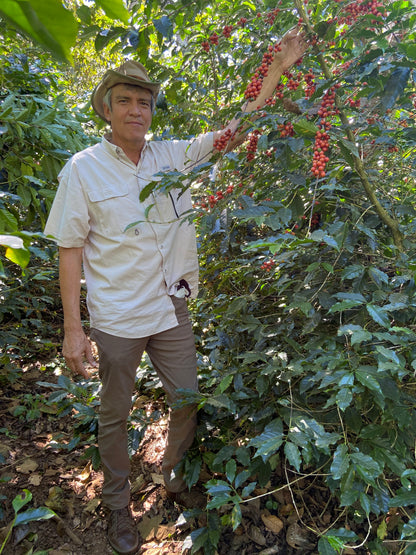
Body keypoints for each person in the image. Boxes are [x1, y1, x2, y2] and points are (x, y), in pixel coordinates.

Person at [44, 28, 306, 555]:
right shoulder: (83, 170)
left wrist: (277, 67)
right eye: (125, 101)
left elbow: (240, 127)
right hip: (116, 317)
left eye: (144, 101)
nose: (136, 110)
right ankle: (118, 507)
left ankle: (174, 475)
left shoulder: (174, 156)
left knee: (186, 399)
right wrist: (74, 330)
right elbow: (69, 249)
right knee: (115, 414)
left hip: (170, 309)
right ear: (106, 109)